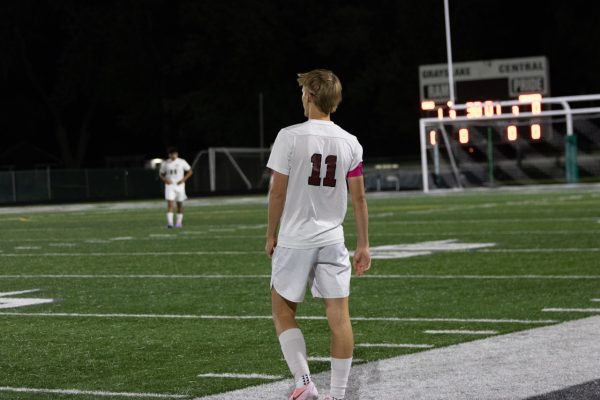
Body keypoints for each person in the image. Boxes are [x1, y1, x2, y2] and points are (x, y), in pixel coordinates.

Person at [265, 69, 371, 400]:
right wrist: (364, 244)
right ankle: (338, 395)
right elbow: (359, 198)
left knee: (282, 310)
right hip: (332, 238)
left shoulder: (289, 136)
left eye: (302, 93)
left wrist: (271, 234)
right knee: (339, 318)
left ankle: (305, 382)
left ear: (310, 96)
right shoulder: (351, 142)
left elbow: (277, 193)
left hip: (296, 238)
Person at [159, 147, 193, 228]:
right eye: (171, 154)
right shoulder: (165, 163)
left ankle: (178, 223)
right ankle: (170, 223)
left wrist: (183, 180)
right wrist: (165, 180)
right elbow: (161, 174)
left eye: (174, 153)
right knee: (170, 204)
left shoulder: (182, 161)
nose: (173, 155)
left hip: (180, 186)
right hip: (170, 186)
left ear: (177, 154)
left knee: (179, 204)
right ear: (169, 155)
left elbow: (190, 171)